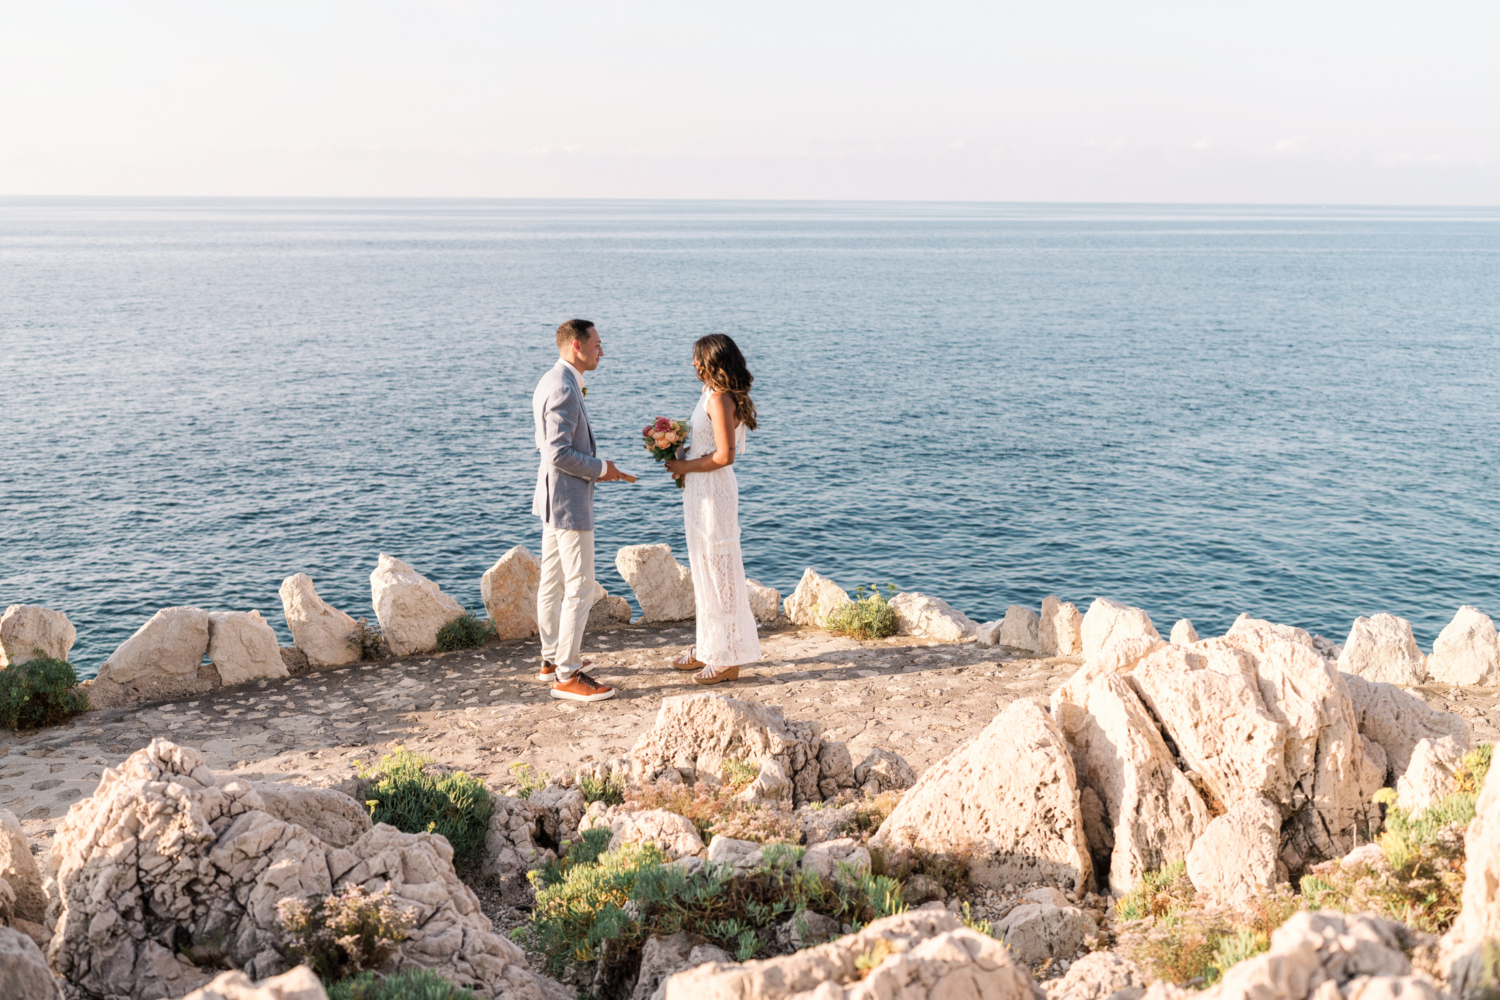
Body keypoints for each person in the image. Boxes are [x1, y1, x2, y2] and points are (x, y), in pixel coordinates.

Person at [532, 318, 626, 702]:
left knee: (552, 581)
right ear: (577, 345)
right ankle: (568, 675)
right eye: (597, 344)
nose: (602, 350)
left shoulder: (551, 379)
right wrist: (604, 469)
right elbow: (558, 453)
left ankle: (552, 659)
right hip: (569, 501)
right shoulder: (565, 388)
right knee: (580, 586)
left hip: (553, 498)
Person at [662, 334, 761, 683]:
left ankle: (728, 657)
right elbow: (707, 445)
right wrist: (681, 452)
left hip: (714, 491)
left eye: (698, 358)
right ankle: (709, 646)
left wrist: (684, 467)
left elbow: (724, 456)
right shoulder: (708, 393)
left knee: (720, 571)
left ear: (715, 361)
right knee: (703, 568)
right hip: (699, 491)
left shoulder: (720, 399)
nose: (693, 363)